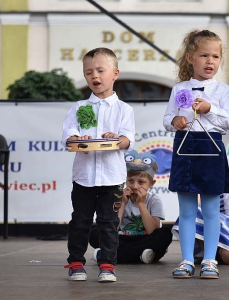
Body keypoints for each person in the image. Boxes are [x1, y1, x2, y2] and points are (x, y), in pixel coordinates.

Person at [163, 29, 229, 279]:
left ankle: (209, 260)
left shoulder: (223, 90)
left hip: (211, 147)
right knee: (186, 210)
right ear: (190, 58)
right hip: (185, 147)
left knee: (211, 209)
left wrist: (210, 108)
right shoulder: (179, 89)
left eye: (215, 56)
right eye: (204, 55)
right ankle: (185, 260)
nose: (210, 61)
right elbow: (166, 118)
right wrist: (176, 120)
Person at [61, 47, 135, 283]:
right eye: (89, 72)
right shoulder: (80, 107)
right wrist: (76, 139)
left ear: (115, 73)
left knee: (109, 223)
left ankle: (107, 266)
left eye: (100, 70)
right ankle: (75, 263)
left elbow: (127, 138)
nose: (95, 76)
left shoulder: (124, 109)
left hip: (112, 177)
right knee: (80, 221)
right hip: (83, 176)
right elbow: (69, 134)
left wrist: (117, 139)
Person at [89, 150, 173, 265]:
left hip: (145, 240)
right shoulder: (119, 198)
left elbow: (152, 231)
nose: (134, 186)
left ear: (151, 184)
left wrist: (141, 204)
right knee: (94, 232)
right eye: (130, 181)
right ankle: (140, 255)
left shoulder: (154, 200)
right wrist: (122, 203)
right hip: (122, 239)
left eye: (141, 182)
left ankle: (108, 254)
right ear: (125, 180)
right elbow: (113, 227)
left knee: (165, 234)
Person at [171, 179, 229, 265]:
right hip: (206, 229)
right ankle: (208, 256)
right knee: (196, 215)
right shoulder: (192, 182)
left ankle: (215, 255)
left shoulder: (228, 184)